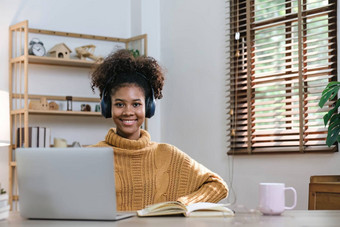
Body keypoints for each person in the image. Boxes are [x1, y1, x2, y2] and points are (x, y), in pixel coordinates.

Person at [90, 49, 228, 211]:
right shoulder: (90, 156)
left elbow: (218, 186)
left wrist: (180, 205)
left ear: (149, 107)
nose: (128, 112)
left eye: (136, 104)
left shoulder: (167, 154)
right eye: (120, 104)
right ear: (107, 107)